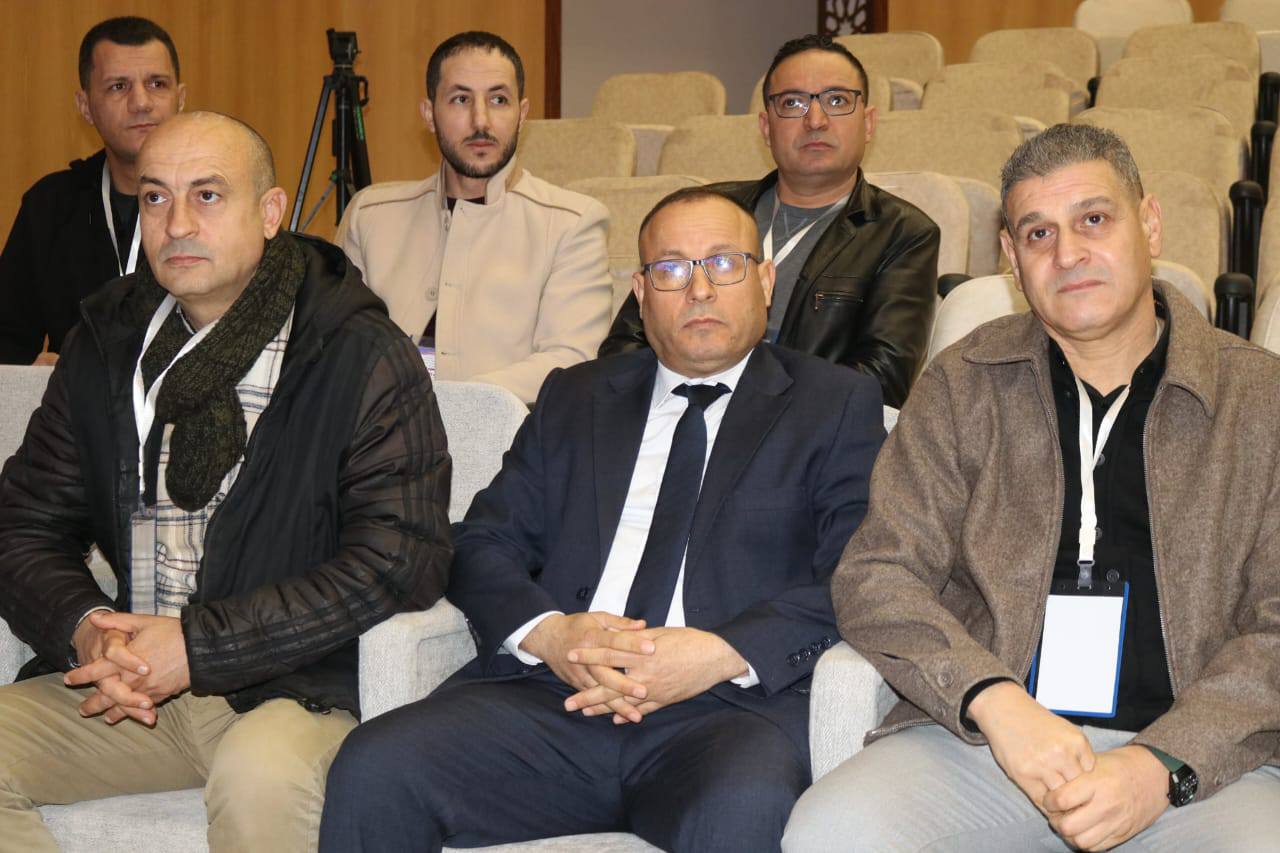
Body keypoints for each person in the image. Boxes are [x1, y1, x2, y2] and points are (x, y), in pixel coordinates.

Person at [319, 187, 885, 852]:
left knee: (741, 808)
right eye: (671, 270)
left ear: (765, 280)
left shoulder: (833, 403)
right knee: (375, 764)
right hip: (556, 699)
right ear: (641, 293)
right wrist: (551, 634)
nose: (700, 289)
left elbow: (860, 571)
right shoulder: (576, 396)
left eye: (724, 263)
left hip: (728, 714)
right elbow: (481, 541)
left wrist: (718, 652)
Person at [784, 123, 1280, 852]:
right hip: (987, 749)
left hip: (1203, 765)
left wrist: (1161, 764)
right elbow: (878, 573)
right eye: (1038, 233)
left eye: (1094, 219)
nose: (1068, 254)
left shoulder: (1260, 398)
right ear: (1011, 258)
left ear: (1149, 223)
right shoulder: (962, 384)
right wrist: (992, 700)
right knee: (831, 830)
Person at [0, 112, 452, 851]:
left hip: (295, 688)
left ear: (270, 213)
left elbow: (400, 558)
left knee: (256, 780)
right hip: (137, 687)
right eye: (155, 197)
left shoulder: (356, 350)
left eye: (207, 195)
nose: (177, 223)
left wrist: (199, 647)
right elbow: (22, 525)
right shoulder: (107, 344)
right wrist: (86, 628)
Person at [600, 34, 939, 409]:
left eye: (837, 101)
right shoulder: (705, 213)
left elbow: (882, 378)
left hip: (805, 430)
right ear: (765, 127)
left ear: (869, 122)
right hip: (677, 409)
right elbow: (624, 347)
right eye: (792, 103)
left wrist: (748, 409)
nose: (815, 120)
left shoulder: (902, 232)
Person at [336, 30, 612, 405]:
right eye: (461, 99)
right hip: (377, 435)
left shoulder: (572, 222)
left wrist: (448, 403)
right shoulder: (371, 215)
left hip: (505, 437)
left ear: (522, 115)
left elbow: (571, 360)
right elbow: (335, 347)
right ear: (429, 114)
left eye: (499, 100)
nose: (480, 121)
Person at [0, 16, 186, 365]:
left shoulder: (219, 200)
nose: (141, 102)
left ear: (180, 98)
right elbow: (7, 337)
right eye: (118, 86)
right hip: (75, 399)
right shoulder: (50, 205)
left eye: (157, 83)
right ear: (85, 106)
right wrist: (33, 371)